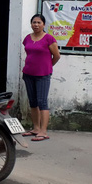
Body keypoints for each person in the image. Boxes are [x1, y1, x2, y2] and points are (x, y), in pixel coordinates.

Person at [21, 13, 60, 141]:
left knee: (42, 102)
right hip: (28, 74)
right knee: (33, 102)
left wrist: (48, 66)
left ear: (43, 24)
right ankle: (36, 128)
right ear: (31, 24)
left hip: (43, 75)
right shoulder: (27, 38)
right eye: (34, 22)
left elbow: (56, 56)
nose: (36, 25)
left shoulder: (49, 38)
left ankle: (43, 131)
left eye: (39, 22)